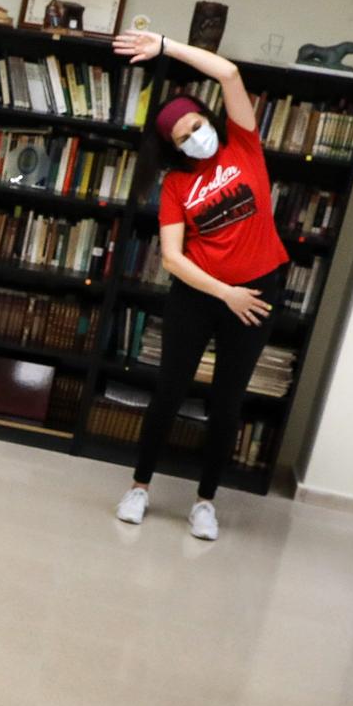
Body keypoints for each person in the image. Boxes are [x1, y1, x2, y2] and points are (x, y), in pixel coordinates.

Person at [110, 31, 286, 541]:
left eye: (198, 125)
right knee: (168, 392)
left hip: (257, 291)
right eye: (184, 136)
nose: (197, 137)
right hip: (201, 294)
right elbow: (171, 257)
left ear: (211, 120)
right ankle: (140, 488)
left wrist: (164, 44)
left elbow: (229, 74)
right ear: (172, 146)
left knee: (227, 402)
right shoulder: (176, 186)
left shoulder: (245, 147)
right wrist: (223, 292)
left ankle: (205, 502)